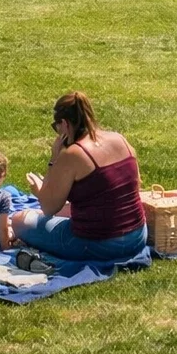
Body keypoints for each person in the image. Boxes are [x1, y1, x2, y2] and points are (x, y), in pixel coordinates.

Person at [10, 92, 148, 261]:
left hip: (97, 245)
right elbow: (133, 186)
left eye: (56, 127)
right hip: (138, 237)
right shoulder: (121, 140)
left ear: (64, 124)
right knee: (64, 211)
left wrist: (53, 162)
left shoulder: (73, 154)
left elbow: (48, 208)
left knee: (19, 220)